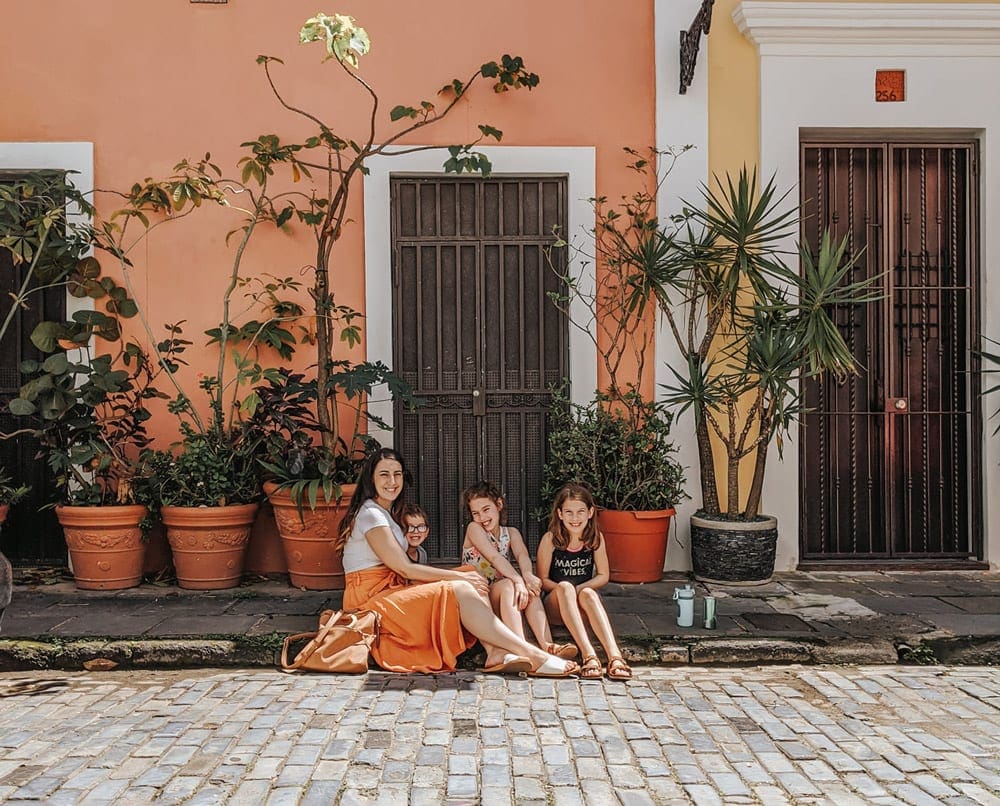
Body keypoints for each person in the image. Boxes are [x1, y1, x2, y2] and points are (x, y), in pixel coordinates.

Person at [337, 448, 579, 677]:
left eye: (397, 474)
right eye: (384, 474)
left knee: (468, 575)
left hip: (390, 590)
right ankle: (532, 653)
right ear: (371, 478)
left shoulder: (386, 513)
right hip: (370, 598)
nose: (392, 481)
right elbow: (403, 567)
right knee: (463, 581)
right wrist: (460, 577)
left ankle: (494, 652)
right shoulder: (371, 514)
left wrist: (466, 575)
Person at [461, 480, 577, 660]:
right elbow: (494, 557)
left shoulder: (511, 533)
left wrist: (528, 577)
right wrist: (517, 580)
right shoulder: (474, 529)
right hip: (480, 595)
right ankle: (522, 647)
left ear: (499, 505)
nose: (482, 518)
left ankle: (547, 645)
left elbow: (522, 556)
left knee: (530, 589)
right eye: (476, 513)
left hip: (502, 595)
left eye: (486, 510)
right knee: (509, 585)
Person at [536, 483, 633, 680]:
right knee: (564, 587)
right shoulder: (550, 540)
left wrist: (578, 589)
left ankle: (615, 656)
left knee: (588, 593)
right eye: (569, 512)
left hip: (581, 601)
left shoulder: (595, 538)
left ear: (590, 513)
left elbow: (603, 575)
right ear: (560, 514)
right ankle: (589, 655)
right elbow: (543, 580)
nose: (575, 518)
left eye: (580, 512)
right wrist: (569, 591)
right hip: (556, 603)